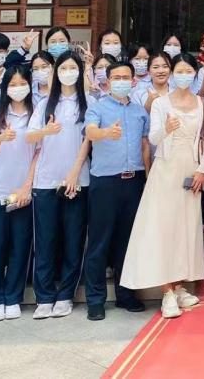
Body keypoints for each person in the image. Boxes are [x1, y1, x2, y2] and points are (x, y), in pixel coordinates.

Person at [121, 53, 204, 319]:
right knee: (164, 230)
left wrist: (203, 169)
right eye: (178, 71)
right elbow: (154, 137)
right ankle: (166, 291)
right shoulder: (160, 103)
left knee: (185, 229)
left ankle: (179, 285)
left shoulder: (200, 102)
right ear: (171, 73)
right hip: (166, 170)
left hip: (191, 170)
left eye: (188, 71)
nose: (183, 75)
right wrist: (167, 128)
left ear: (195, 74)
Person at [83, 60, 151, 321]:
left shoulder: (139, 112)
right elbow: (90, 132)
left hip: (133, 181)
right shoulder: (97, 107)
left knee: (127, 242)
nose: (121, 81)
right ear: (108, 81)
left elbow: (144, 146)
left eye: (126, 77)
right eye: (116, 78)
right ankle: (95, 300)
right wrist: (105, 133)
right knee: (99, 241)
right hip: (105, 182)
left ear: (133, 81)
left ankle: (126, 295)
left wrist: (148, 176)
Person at [26, 51, 90, 320]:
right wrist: (45, 131)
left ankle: (65, 295)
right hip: (46, 181)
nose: (68, 73)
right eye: (63, 68)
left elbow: (89, 141)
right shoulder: (44, 105)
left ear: (80, 72)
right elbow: (29, 138)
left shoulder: (89, 103)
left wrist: (74, 174)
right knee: (45, 241)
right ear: (56, 73)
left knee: (73, 241)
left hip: (78, 181)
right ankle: (44, 297)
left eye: (73, 68)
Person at [0, 65, 38, 322]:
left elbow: (39, 153)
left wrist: (27, 186)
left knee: (20, 246)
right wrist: (0, 139)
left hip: (23, 191)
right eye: (12, 84)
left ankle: (13, 297)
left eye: (22, 83)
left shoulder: (36, 114)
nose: (17, 88)